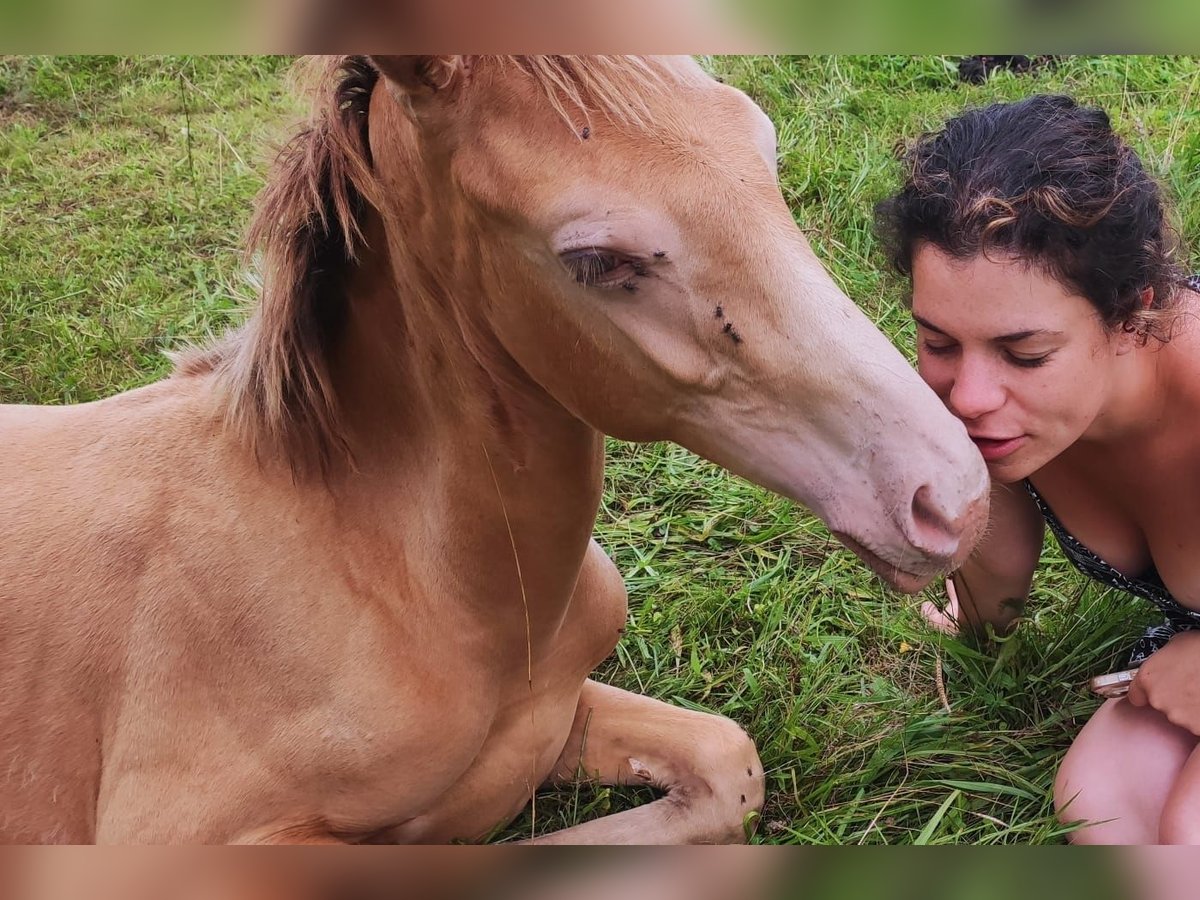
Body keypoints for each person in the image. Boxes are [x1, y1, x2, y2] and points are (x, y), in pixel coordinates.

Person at [874, 93, 1200, 844]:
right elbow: (996, 557)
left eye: (1025, 354)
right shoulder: (994, 421)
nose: (969, 397)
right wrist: (975, 622)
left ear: (1133, 310)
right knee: (1100, 803)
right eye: (939, 341)